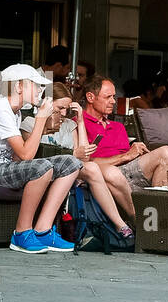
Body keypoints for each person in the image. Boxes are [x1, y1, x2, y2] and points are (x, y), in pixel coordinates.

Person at [0, 63, 81, 253]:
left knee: (71, 163)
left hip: (2, 167)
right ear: (19, 87)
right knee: (42, 167)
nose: (40, 90)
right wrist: (41, 119)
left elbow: (18, 156)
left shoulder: (15, 112)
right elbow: (27, 155)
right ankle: (21, 233)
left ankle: (43, 230)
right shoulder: (0, 109)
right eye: (35, 85)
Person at [21, 82, 133, 240]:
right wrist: (73, 153)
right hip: (46, 171)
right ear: (46, 104)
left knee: (92, 167)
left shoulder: (69, 124)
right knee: (91, 168)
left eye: (67, 109)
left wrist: (80, 121)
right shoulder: (30, 123)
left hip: (71, 170)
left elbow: (85, 157)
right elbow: (36, 157)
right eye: (60, 108)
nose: (64, 113)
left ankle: (120, 224)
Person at [84, 74, 168, 188]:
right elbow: (84, 163)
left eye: (113, 97)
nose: (113, 101)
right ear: (90, 97)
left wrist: (140, 153)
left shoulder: (117, 126)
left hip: (134, 169)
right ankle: (163, 198)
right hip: (113, 173)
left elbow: (129, 158)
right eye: (107, 97)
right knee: (166, 152)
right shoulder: (81, 124)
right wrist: (126, 156)